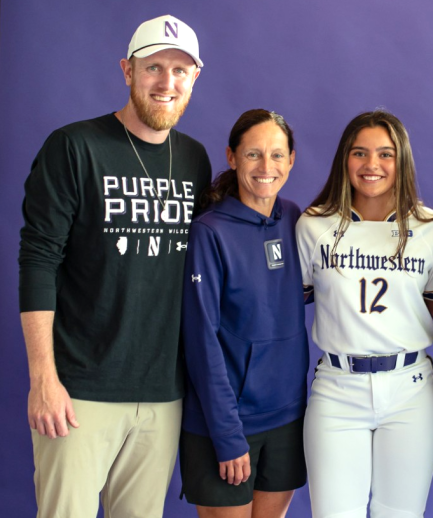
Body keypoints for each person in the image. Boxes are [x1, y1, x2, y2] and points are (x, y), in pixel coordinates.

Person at [18, 14, 210, 518]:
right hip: (79, 391)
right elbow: (38, 260)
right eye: (154, 68)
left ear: (195, 77)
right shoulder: (74, 146)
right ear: (128, 70)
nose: (167, 83)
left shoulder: (194, 159)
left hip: (164, 394)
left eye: (180, 70)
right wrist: (44, 378)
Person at [296, 110, 433, 518]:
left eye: (385, 154)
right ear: (344, 159)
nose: (372, 165)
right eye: (359, 153)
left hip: (410, 387)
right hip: (338, 387)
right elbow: (287, 303)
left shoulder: (431, 226)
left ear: (403, 161)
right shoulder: (313, 225)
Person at [180, 109, 308, 518]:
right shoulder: (210, 231)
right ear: (232, 157)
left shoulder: (293, 217)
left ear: (291, 160)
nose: (266, 167)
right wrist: (227, 435)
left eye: (276, 155)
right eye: (253, 154)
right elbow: (201, 341)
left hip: (288, 417)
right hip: (226, 423)